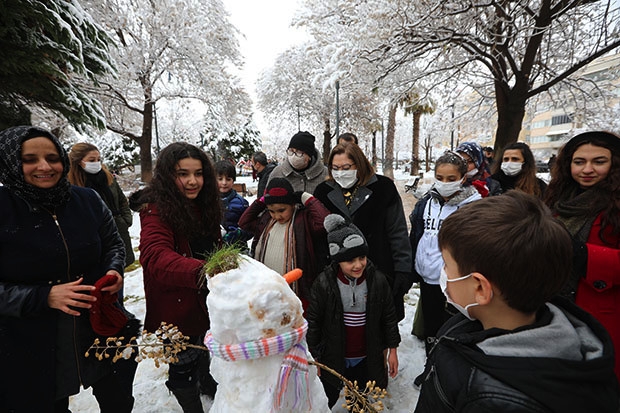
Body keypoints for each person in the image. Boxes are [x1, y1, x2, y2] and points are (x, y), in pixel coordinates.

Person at [415, 191, 619, 413]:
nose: (443, 273)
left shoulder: (492, 400)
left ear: (480, 288)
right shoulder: (465, 323)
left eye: (446, 265)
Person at [0, 126, 134, 412]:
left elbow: (113, 243)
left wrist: (113, 270)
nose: (44, 166)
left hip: (99, 326)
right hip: (33, 341)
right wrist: (43, 296)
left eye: (52, 157)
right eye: (30, 159)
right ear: (11, 161)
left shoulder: (86, 200)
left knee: (118, 399)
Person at [129, 142, 221, 413]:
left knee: (205, 349)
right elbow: (155, 256)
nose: (193, 181)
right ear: (168, 175)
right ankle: (191, 405)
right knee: (183, 363)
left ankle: (207, 385)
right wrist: (203, 270)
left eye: (199, 173)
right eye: (183, 174)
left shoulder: (202, 204)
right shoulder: (156, 208)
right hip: (178, 303)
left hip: (206, 298)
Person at [544, 130, 620, 382]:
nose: (587, 169)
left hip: (603, 316)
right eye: (579, 162)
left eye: (599, 161)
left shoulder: (614, 204)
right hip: (558, 309)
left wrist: (583, 255)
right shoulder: (561, 198)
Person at [306, 214, 400, 408]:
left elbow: (389, 317)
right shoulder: (324, 284)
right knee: (328, 396)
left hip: (367, 355)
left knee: (360, 399)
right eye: (350, 260)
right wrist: (314, 354)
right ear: (337, 260)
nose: (358, 265)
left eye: (362, 257)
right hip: (335, 354)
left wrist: (392, 350)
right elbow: (314, 320)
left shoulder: (377, 281)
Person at [313, 143, 413, 321]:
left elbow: (397, 231)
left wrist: (403, 269)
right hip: (339, 275)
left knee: (381, 327)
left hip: (379, 270)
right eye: (335, 168)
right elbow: (318, 237)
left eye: (346, 167)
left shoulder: (383, 188)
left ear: (358, 164)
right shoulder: (323, 191)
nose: (341, 173)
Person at [409, 151, 481, 353]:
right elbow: (417, 233)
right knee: (431, 326)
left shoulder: (472, 206)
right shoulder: (427, 202)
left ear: (463, 178)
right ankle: (430, 363)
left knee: (450, 326)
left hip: (453, 281)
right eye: (440, 178)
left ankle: (446, 364)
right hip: (427, 277)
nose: (444, 183)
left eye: (451, 179)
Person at [238, 177, 330, 311]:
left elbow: (324, 223)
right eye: (271, 210)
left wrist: (307, 198)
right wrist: (261, 202)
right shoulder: (265, 220)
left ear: (292, 204)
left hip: (297, 290)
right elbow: (244, 222)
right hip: (266, 291)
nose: (276, 216)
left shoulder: (303, 219)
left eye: (281, 210)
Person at [68, 142, 135, 269]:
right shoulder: (72, 185)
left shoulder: (108, 177)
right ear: (78, 162)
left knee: (119, 269)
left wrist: (126, 220)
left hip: (118, 231)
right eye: (91, 160)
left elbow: (121, 200)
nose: (96, 163)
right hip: (92, 238)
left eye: (99, 159)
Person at [214, 160, 252, 251]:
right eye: (220, 179)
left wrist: (237, 234)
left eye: (228, 179)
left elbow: (250, 229)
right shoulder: (207, 201)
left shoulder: (241, 203)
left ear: (233, 180)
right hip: (214, 250)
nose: (224, 183)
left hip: (237, 249)